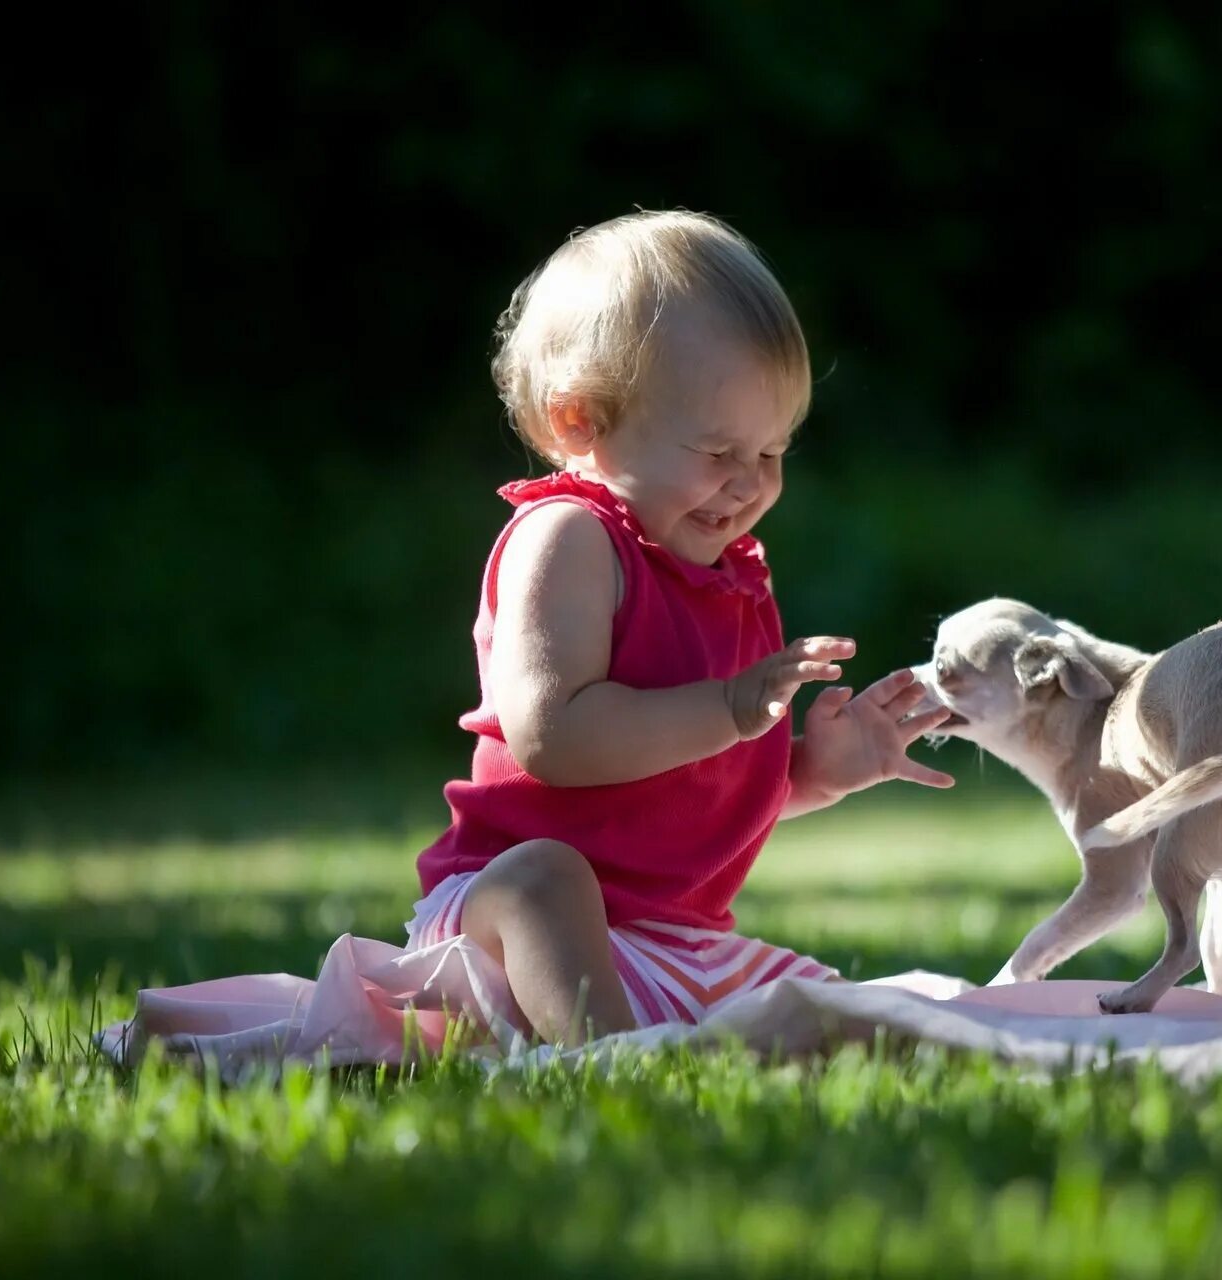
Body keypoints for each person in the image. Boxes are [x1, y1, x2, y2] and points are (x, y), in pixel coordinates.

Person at [407, 210, 955, 1045]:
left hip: (666, 946)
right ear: (578, 421)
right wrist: (732, 708)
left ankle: (635, 1041)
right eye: (717, 452)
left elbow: (691, 789)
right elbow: (553, 736)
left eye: (772, 454)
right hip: (504, 934)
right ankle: (612, 1063)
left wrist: (813, 772)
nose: (747, 485)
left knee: (859, 1027)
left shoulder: (728, 574)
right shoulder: (570, 537)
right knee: (546, 881)